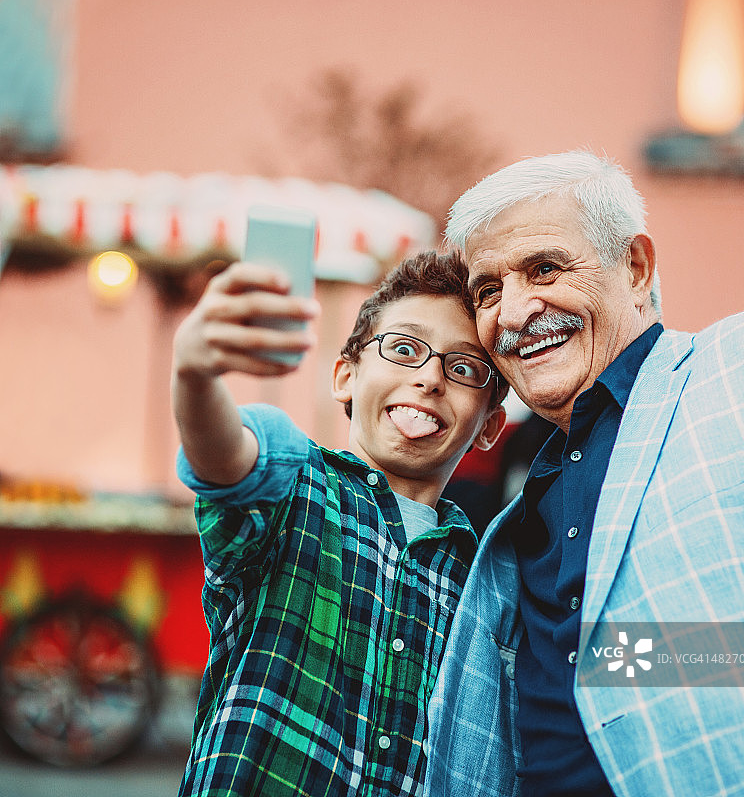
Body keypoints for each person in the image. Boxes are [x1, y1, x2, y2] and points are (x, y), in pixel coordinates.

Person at [423, 150, 744, 797]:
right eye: (488, 290)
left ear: (634, 267)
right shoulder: (519, 508)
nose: (512, 314)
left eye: (544, 268)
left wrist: (627, 658)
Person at [171, 249, 507, 797]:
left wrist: (690, 655)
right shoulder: (293, 486)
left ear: (489, 425)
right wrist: (193, 375)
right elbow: (224, 456)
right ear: (346, 376)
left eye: (464, 367)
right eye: (403, 348)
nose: (428, 378)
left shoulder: (484, 579)